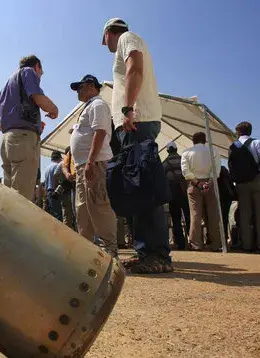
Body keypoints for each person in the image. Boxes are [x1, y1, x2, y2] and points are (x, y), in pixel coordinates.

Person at [103, 18, 171, 271]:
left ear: (107, 34)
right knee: (137, 188)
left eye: (104, 40)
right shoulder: (127, 40)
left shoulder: (126, 39)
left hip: (137, 120)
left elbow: (135, 68)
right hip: (135, 121)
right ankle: (146, 252)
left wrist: (127, 109)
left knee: (144, 187)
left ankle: (158, 256)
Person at [0, 55, 58, 200]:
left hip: (6, 140)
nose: (39, 78)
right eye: (40, 74)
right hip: (22, 140)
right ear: (37, 66)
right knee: (21, 198)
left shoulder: (5, 87)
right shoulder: (28, 72)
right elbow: (37, 96)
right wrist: (54, 109)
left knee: (9, 196)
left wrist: (29, 124)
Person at [69, 74, 117, 257]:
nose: (78, 92)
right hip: (84, 165)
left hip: (95, 163)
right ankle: (86, 252)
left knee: (99, 206)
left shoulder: (98, 104)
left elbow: (100, 132)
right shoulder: (88, 107)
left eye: (80, 88)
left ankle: (110, 249)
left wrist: (90, 161)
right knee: (83, 209)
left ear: (91, 86)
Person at [228, 121, 260, 252]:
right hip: (259, 181)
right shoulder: (257, 143)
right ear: (250, 131)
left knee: (245, 215)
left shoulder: (233, 146)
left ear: (238, 132)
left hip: (241, 184)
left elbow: (231, 166)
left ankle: (247, 245)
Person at [181, 132, 222, 251]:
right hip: (210, 184)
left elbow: (185, 171)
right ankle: (215, 244)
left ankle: (196, 244)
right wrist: (209, 182)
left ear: (193, 141)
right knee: (213, 214)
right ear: (205, 140)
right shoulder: (213, 150)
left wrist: (197, 183)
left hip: (194, 184)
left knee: (195, 215)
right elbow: (216, 169)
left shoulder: (186, 152)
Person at [162, 141, 191, 250]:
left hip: (172, 192)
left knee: (176, 218)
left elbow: (162, 179)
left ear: (168, 150)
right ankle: (192, 241)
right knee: (189, 216)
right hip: (184, 190)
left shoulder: (165, 163)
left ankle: (180, 243)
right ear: (176, 149)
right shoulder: (183, 160)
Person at [44, 150, 63, 221]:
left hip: (49, 192)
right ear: (59, 158)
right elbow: (57, 179)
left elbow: (46, 184)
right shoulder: (57, 166)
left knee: (53, 214)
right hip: (55, 192)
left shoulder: (47, 168)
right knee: (58, 215)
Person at [60, 146, 76, 230]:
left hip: (68, 189)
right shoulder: (69, 155)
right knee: (75, 211)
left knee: (68, 213)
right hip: (72, 186)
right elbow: (64, 167)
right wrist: (67, 174)